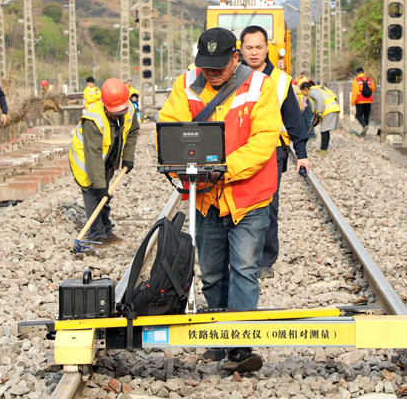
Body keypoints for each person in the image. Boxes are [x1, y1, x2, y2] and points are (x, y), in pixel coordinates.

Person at [158, 27, 282, 374]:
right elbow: (169, 125)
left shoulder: (261, 86)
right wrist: (183, 163)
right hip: (207, 199)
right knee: (212, 273)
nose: (212, 73)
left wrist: (224, 170)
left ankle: (240, 347)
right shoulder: (186, 84)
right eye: (206, 65)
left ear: (235, 58)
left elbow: (264, 139)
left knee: (244, 269)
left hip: (248, 197)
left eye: (219, 66)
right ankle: (218, 335)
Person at [239, 25, 310, 280]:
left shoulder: (280, 79)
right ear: (241, 48)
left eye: (259, 47)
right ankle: (240, 256)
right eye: (249, 47)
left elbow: (294, 120)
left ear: (267, 47)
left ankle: (265, 260)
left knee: (268, 205)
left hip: (273, 151)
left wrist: (301, 153)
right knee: (238, 204)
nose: (254, 52)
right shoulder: (233, 76)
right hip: (239, 150)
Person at [69, 79, 140, 248]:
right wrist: (100, 186)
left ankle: (107, 231)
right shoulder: (93, 120)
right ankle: (97, 235)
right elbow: (92, 156)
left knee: (105, 195)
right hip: (86, 163)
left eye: (121, 110)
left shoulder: (128, 108)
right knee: (94, 195)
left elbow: (132, 131)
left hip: (106, 158)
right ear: (105, 105)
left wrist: (127, 157)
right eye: (115, 112)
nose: (119, 114)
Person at [301, 81, 341, 154]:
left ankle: (323, 150)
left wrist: (320, 112)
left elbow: (320, 100)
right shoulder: (318, 89)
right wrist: (316, 116)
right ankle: (324, 148)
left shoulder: (312, 91)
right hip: (331, 108)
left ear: (305, 89)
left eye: (302, 91)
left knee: (324, 130)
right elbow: (333, 96)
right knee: (325, 129)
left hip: (328, 109)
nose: (302, 94)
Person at [352, 67, 375, 136]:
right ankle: (365, 131)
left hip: (360, 101)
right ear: (363, 72)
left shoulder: (356, 80)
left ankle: (364, 125)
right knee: (366, 116)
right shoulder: (369, 80)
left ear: (357, 73)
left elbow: (355, 93)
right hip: (369, 101)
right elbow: (373, 89)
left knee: (358, 115)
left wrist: (352, 102)